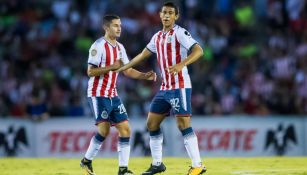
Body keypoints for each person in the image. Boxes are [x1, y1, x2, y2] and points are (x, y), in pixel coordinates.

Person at [116, 2, 206, 175]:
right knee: (152, 123)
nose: (166, 15)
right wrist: (123, 67)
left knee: (183, 124)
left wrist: (182, 64)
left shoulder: (180, 33)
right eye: (164, 12)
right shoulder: (157, 37)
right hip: (165, 87)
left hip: (180, 85)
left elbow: (199, 50)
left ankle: (198, 165)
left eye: (170, 13)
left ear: (176, 16)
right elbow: (143, 55)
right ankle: (158, 164)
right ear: (159, 15)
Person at [80, 14, 157, 175]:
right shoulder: (98, 46)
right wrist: (112, 67)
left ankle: (123, 170)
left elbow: (127, 70)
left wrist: (144, 76)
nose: (119, 28)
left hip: (113, 94)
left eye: (120, 25)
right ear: (106, 28)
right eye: (115, 25)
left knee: (126, 130)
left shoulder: (120, 48)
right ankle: (86, 161)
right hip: (98, 93)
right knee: (104, 131)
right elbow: (90, 71)